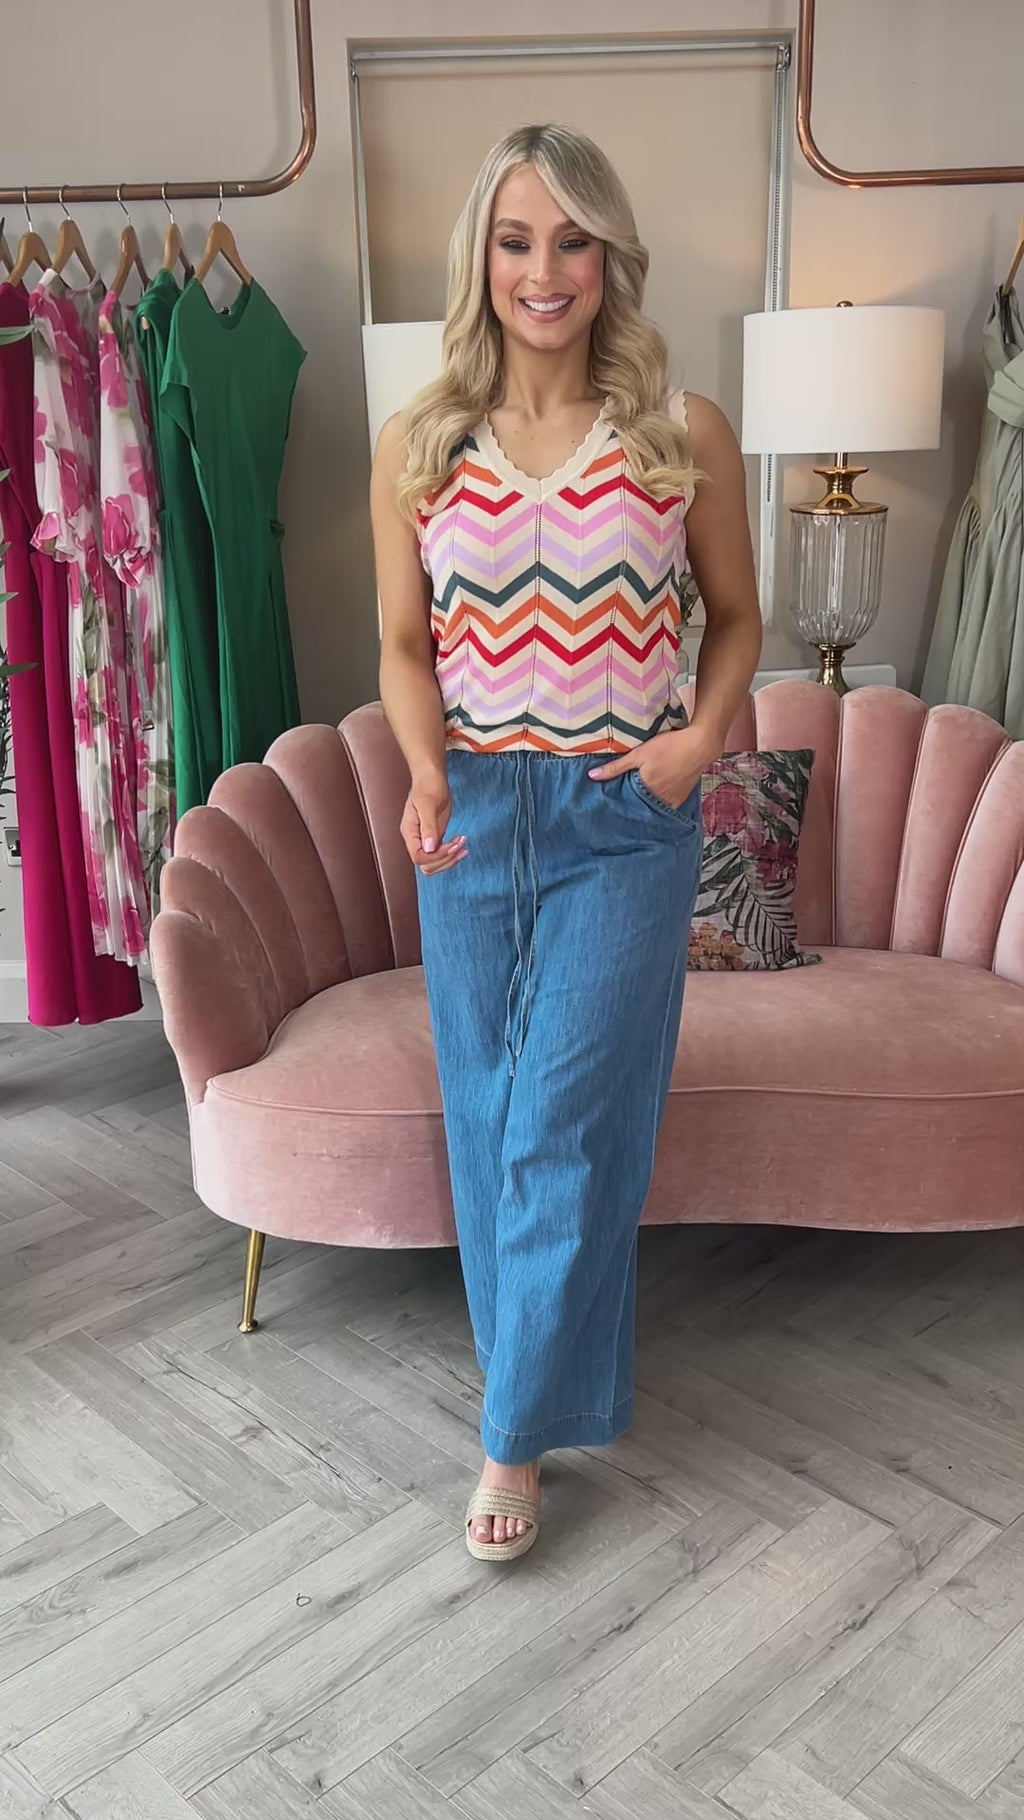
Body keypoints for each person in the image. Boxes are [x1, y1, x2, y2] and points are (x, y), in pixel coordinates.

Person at [371, 123, 762, 1562]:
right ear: (482, 256)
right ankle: (544, 1396)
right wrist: (424, 769)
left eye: (574, 240)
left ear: (611, 257)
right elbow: (403, 645)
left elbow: (740, 619)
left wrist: (697, 744)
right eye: (518, 239)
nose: (546, 271)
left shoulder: (679, 435)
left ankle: (510, 1436)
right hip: (473, 818)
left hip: (620, 816)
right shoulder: (420, 446)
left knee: (566, 1126)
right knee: (492, 1123)